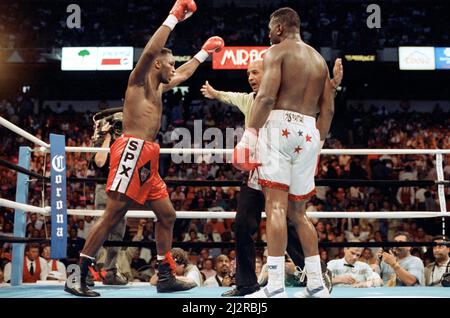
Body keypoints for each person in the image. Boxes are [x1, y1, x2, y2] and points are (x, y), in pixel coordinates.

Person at [64, 0, 224, 296]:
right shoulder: (137, 82)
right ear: (158, 64)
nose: (174, 67)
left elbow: (186, 74)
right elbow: (151, 50)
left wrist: (204, 52)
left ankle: (165, 275)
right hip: (130, 150)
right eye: (171, 62)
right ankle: (79, 274)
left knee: (167, 215)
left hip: (148, 155)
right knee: (113, 214)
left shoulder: (160, 86)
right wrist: (174, 16)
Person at [201, 57, 341, 296]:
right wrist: (215, 93)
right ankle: (246, 285)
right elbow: (231, 96)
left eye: (255, 73)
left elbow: (316, 108)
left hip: (281, 166)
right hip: (256, 168)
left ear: (271, 74)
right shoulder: (250, 99)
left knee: (290, 219)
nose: (251, 78)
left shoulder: (286, 100)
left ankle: (314, 273)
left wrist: (332, 88)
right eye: (248, 74)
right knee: (244, 224)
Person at [233, 7, 342, 298]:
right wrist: (318, 143)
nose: (268, 34)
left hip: (279, 125)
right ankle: (317, 284)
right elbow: (328, 108)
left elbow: (266, 97)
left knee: (276, 208)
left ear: (280, 27)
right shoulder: (319, 60)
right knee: (299, 213)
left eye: (270, 29)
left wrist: (250, 135)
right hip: (309, 131)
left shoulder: (276, 52)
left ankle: (276, 285)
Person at [89, 115, 128, 285]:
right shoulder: (99, 140)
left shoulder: (126, 141)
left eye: (120, 126)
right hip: (104, 187)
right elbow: (99, 161)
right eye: (115, 125)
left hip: (121, 187)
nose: (118, 129)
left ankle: (111, 270)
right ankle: (88, 269)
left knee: (118, 231)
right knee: (101, 227)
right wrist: (107, 137)